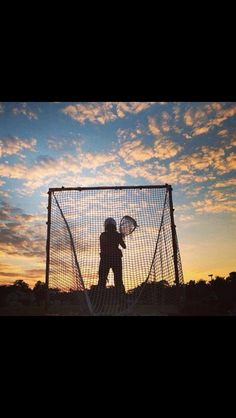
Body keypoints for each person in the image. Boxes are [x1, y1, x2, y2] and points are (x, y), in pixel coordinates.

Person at [98, 217, 126, 292]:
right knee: (118, 280)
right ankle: (122, 300)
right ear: (114, 226)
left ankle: (99, 302)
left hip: (105, 259)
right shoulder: (117, 235)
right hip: (116, 259)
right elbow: (124, 246)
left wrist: (120, 236)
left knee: (102, 280)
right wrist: (121, 237)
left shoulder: (102, 235)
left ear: (106, 226)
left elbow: (103, 246)